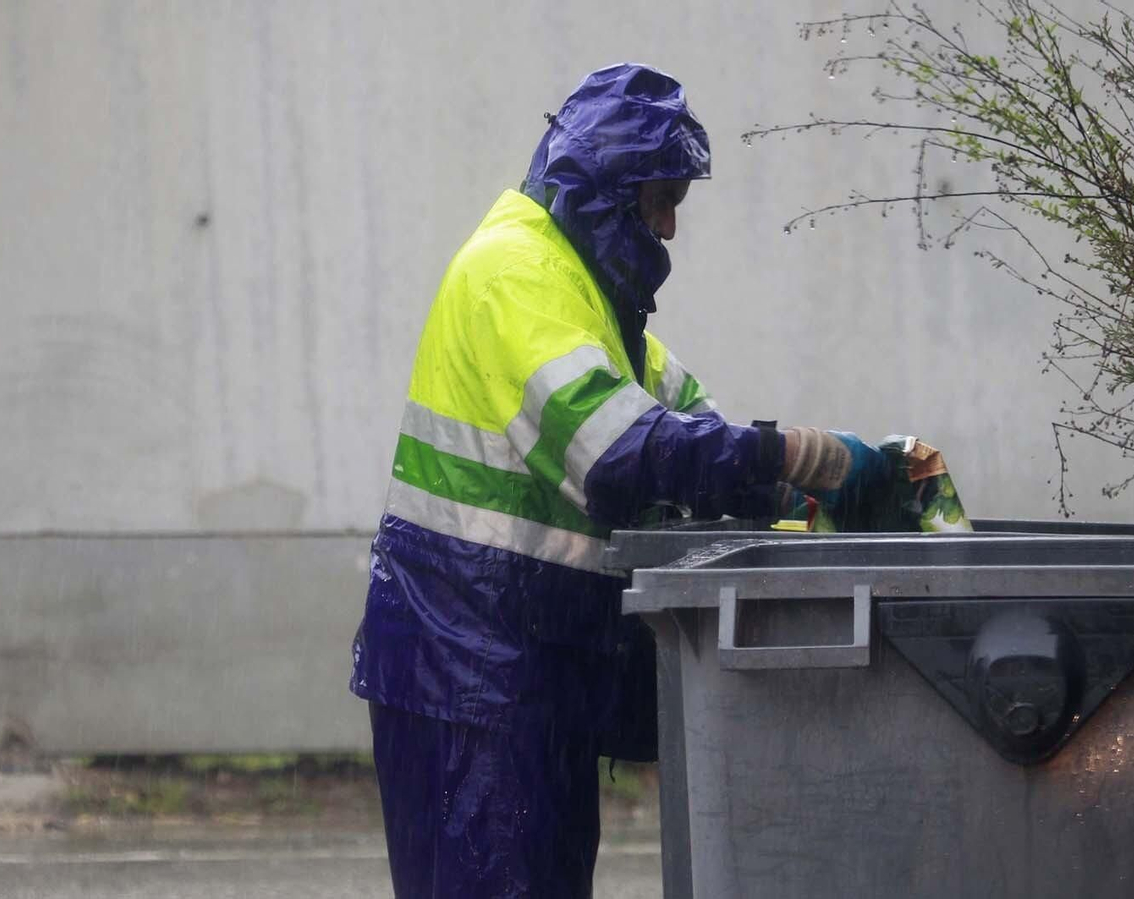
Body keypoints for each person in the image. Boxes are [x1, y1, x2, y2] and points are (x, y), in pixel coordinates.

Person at [349, 63, 887, 898]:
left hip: (521, 672)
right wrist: (807, 459)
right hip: (468, 675)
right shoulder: (516, 274)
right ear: (606, 191)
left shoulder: (587, 301)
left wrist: (801, 498)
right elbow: (621, 454)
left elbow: (694, 432)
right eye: (660, 199)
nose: (669, 228)